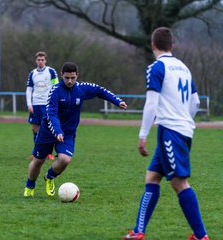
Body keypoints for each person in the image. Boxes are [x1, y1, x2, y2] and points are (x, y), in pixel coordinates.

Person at [122, 27, 209, 240]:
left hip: (171, 130)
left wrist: (143, 134)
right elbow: (195, 101)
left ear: (153, 45)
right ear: (172, 46)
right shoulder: (184, 68)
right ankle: (139, 231)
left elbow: (152, 103)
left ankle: (201, 235)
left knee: (179, 182)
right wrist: (185, 119)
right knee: (152, 177)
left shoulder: (156, 67)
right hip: (182, 129)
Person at [24, 62, 127, 197]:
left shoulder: (81, 88)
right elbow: (51, 114)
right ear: (62, 75)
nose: (70, 81)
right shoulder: (55, 91)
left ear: (77, 75)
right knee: (38, 160)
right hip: (48, 131)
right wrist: (57, 131)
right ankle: (30, 186)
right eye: (67, 78)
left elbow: (100, 91)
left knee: (65, 160)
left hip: (68, 133)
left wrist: (117, 101)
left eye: (73, 77)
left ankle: (49, 177)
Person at [26, 51, 59, 161]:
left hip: (47, 104)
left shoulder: (51, 72)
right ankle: (36, 152)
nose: (40, 62)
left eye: (42, 60)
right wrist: (29, 104)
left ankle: (49, 153)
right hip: (35, 104)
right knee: (34, 129)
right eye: (38, 60)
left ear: (45, 60)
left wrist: (54, 103)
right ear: (36, 61)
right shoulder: (32, 73)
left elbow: (56, 87)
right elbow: (29, 89)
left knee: (47, 128)